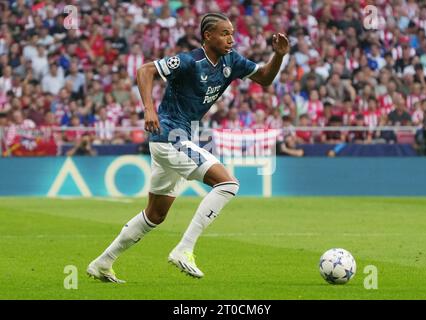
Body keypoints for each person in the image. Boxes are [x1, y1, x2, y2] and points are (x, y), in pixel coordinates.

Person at [87, 13, 289, 282]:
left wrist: (278, 56)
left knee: (155, 214)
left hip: (179, 139)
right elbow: (145, 70)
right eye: (224, 33)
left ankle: (102, 263)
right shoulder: (188, 61)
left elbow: (264, 78)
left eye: (232, 33)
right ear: (208, 36)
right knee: (228, 184)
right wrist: (149, 109)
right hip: (170, 135)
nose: (231, 38)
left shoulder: (232, 61)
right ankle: (184, 249)